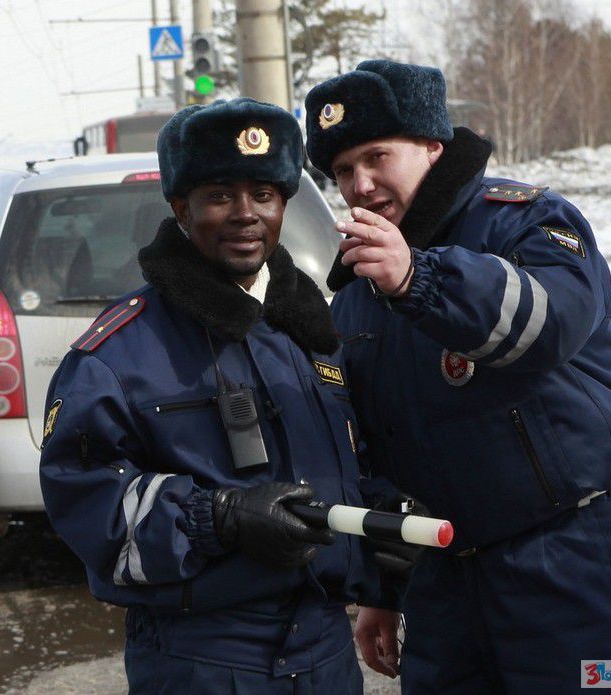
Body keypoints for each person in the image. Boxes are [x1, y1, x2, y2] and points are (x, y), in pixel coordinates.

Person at [304, 59, 611, 694]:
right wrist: (382, 588)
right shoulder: (359, 288)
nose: (360, 185)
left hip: (570, 553)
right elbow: (374, 450)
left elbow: (549, 326)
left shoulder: (526, 221)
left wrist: (420, 280)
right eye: (342, 172)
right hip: (443, 571)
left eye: (376, 157)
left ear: (432, 148)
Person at [39, 98, 385, 694]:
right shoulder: (119, 353)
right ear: (181, 208)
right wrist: (216, 519)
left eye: (265, 195)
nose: (246, 215)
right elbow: (85, 504)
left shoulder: (314, 335)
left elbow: (361, 466)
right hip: (201, 659)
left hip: (326, 651)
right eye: (221, 196)